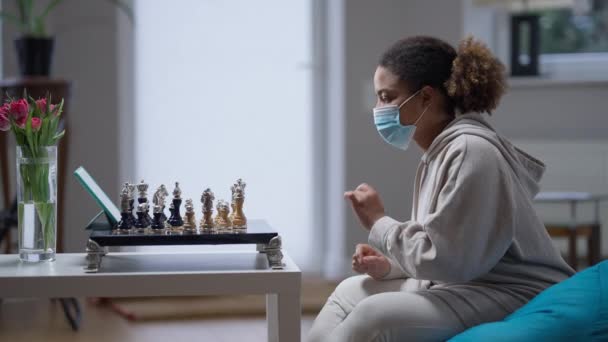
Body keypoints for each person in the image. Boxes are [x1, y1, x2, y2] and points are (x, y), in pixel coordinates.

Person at [308, 36, 575, 342]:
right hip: (469, 282)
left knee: (375, 317)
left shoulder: (470, 151)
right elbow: (449, 245)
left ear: (426, 98)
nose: (377, 109)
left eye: (386, 97)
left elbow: (447, 259)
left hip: (511, 291)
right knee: (348, 291)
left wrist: (379, 223)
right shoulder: (441, 152)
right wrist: (389, 266)